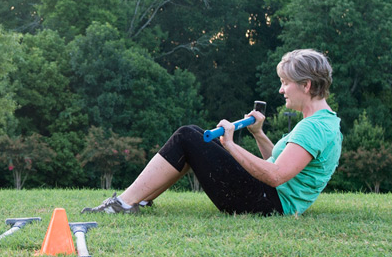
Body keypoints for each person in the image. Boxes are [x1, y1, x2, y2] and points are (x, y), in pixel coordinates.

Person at [81, 49, 342, 216]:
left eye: (285, 83)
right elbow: (280, 162)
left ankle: (123, 203)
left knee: (187, 136)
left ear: (306, 85)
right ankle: (138, 201)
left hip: (267, 202)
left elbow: (275, 176)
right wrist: (258, 134)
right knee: (193, 138)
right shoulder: (326, 122)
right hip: (270, 198)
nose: (281, 90)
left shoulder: (313, 127)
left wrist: (229, 144)